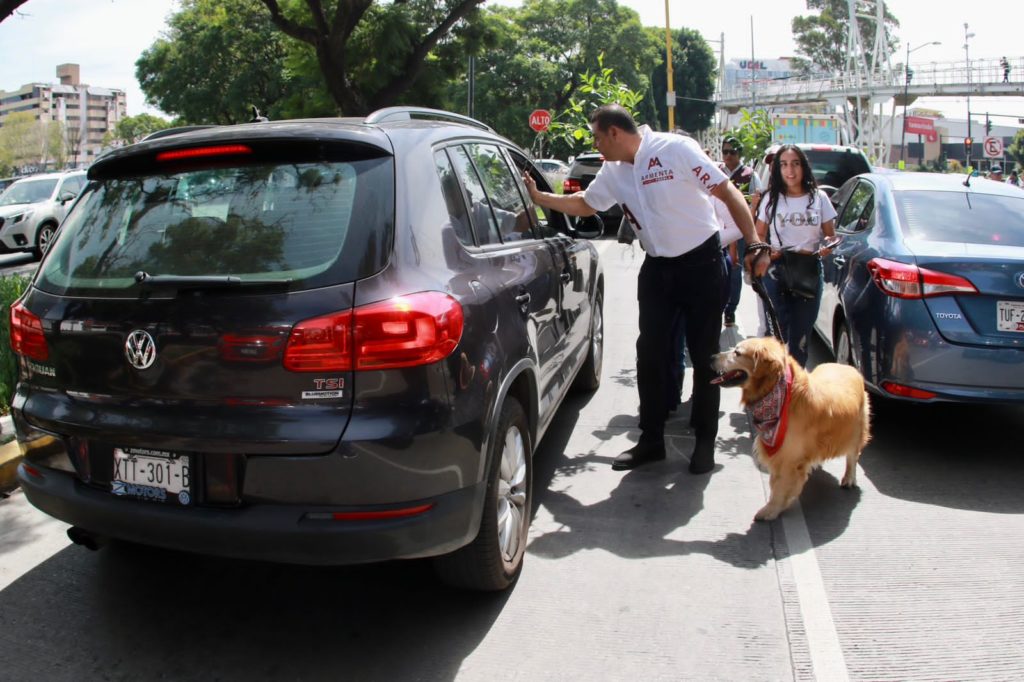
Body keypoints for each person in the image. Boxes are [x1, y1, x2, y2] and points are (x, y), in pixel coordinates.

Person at [522, 104, 768, 474]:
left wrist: (754, 242)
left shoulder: (675, 149)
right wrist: (542, 198)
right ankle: (651, 439)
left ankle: (705, 441)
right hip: (658, 268)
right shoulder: (613, 171)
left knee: (704, 355)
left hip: (701, 265)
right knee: (649, 354)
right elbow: (586, 204)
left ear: (614, 133)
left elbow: (726, 190)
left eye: (597, 137)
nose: (595, 145)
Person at [755, 144, 837, 366]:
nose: (789, 170)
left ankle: (795, 383)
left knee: (801, 338)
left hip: (808, 271)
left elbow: (830, 235)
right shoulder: (771, 199)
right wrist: (765, 250)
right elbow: (759, 233)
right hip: (776, 270)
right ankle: (775, 382)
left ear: (803, 167)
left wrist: (828, 246)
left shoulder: (819, 198)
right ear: (778, 169)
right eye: (783, 165)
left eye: (795, 164)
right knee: (776, 335)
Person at [718, 136, 762, 327]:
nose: (728, 155)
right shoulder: (715, 171)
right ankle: (718, 306)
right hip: (719, 229)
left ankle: (730, 309)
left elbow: (756, 201)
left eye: (732, 152)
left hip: (740, 230)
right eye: (725, 151)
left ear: (739, 154)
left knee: (735, 270)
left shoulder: (750, 175)